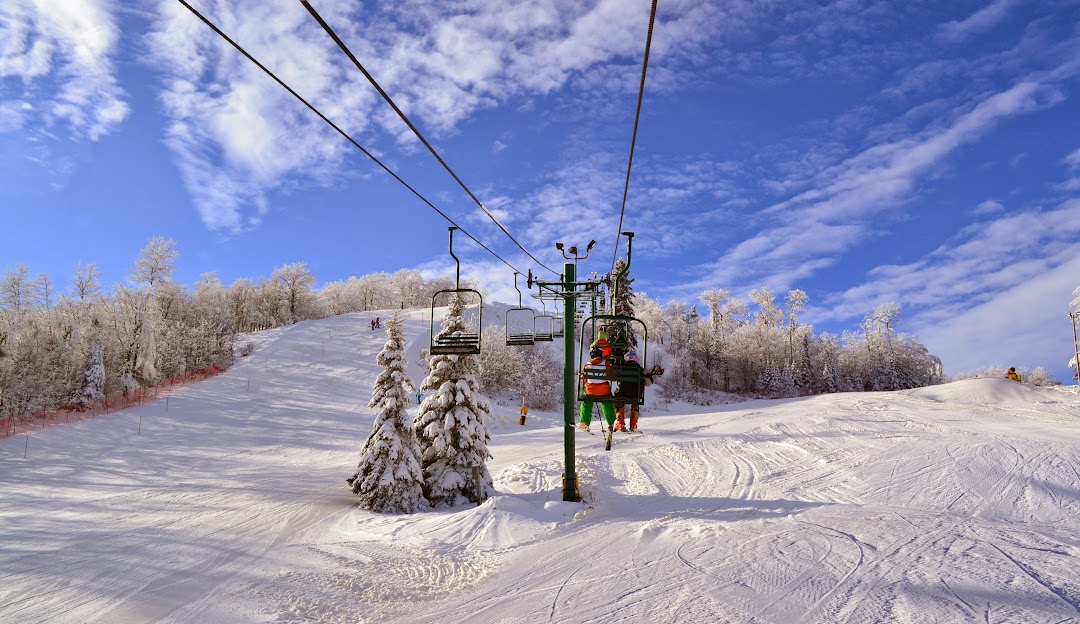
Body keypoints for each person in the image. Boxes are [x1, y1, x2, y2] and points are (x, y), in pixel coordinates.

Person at [613, 351, 662, 432]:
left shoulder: (622, 367)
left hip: (623, 393)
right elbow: (649, 383)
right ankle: (633, 424)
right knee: (635, 402)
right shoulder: (640, 369)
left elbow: (615, 378)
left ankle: (620, 423)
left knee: (619, 400)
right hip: (636, 395)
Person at [578, 346, 615, 431]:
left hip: (590, 392)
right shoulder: (606, 364)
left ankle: (585, 423)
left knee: (586, 403)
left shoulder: (587, 366)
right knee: (607, 403)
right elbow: (612, 376)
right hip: (604, 392)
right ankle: (611, 423)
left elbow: (584, 381)